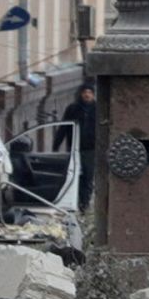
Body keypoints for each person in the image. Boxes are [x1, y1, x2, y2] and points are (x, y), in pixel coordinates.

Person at [58, 82, 98, 211]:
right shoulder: (73, 109)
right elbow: (64, 127)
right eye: (85, 92)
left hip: (90, 149)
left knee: (88, 176)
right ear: (81, 94)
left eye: (90, 93)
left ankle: (84, 203)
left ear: (93, 95)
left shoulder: (98, 109)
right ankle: (75, 202)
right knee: (75, 175)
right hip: (75, 148)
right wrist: (57, 143)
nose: (87, 95)